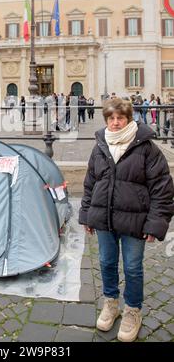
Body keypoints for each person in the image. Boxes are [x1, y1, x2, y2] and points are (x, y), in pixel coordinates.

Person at [79, 98, 174, 342]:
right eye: (110, 118)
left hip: (135, 222)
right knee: (106, 263)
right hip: (104, 219)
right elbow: (90, 184)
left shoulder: (147, 148)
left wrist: (155, 223)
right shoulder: (100, 145)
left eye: (120, 118)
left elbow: (162, 188)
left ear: (129, 119)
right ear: (106, 120)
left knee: (132, 268)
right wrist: (88, 215)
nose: (115, 122)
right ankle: (110, 303)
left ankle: (133, 310)